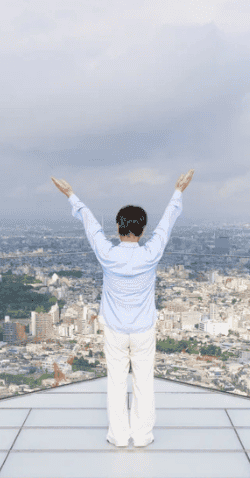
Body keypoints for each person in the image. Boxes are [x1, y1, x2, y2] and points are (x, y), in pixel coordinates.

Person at [51, 170, 194, 446]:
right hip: (142, 330)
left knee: (116, 384)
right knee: (144, 383)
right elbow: (167, 224)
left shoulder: (108, 254)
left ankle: (118, 436)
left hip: (115, 330)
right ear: (142, 231)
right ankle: (142, 436)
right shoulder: (150, 254)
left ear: (118, 228)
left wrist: (71, 194)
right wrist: (178, 191)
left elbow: (90, 226)